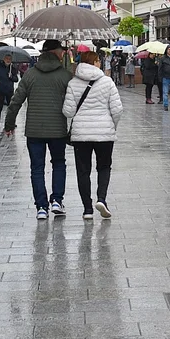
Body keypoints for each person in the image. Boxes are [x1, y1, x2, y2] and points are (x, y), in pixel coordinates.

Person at [4, 39, 74, 219]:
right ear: (54, 52)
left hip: (34, 131)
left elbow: (15, 101)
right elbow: (75, 103)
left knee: (37, 168)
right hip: (58, 130)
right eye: (61, 50)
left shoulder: (30, 75)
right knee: (58, 163)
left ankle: (41, 207)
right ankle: (57, 200)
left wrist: (9, 124)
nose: (63, 53)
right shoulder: (65, 76)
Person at [62, 50, 123, 220]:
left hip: (81, 135)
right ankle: (101, 199)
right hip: (105, 134)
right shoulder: (107, 82)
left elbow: (68, 112)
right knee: (104, 167)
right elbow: (117, 110)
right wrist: (112, 126)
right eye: (97, 60)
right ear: (94, 62)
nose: (99, 63)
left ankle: (87, 209)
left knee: (83, 171)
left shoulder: (73, 83)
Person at [0, 54, 20, 129]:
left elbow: (16, 79)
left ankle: (11, 122)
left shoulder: (13, 68)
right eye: (7, 59)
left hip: (9, 90)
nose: (8, 60)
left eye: (9, 59)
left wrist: (11, 77)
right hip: (1, 89)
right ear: (4, 59)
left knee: (11, 108)